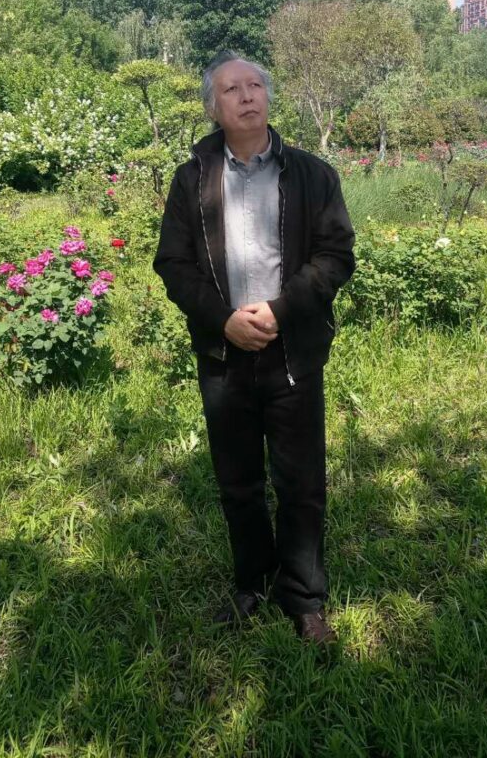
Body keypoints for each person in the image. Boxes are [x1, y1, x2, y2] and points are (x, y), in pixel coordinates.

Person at [152, 49, 355, 646]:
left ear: (268, 96)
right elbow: (174, 263)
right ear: (213, 108)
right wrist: (223, 322)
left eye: (255, 85)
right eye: (231, 89)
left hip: (293, 351)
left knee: (301, 482)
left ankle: (304, 599)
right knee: (237, 480)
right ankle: (252, 585)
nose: (246, 96)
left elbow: (336, 256)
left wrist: (279, 309)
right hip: (224, 355)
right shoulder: (192, 179)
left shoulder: (311, 175)